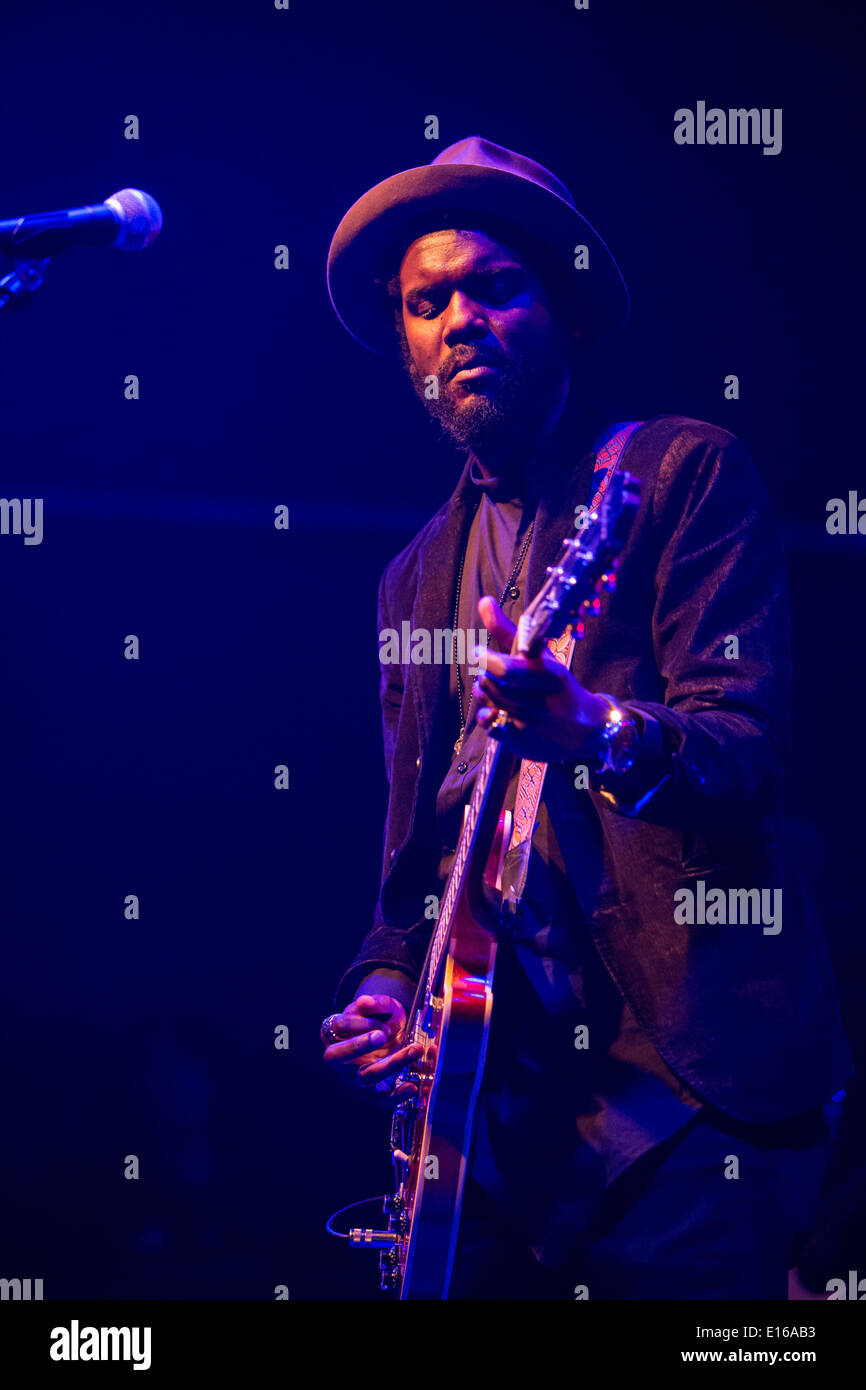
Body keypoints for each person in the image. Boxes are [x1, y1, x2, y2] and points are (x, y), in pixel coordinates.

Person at [319, 136, 852, 1298]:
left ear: (557, 307)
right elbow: (417, 854)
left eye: (493, 286)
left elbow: (746, 755)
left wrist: (598, 730)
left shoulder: (675, 475)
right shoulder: (411, 581)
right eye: (426, 301)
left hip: (683, 1099)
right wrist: (379, 979)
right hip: (501, 1127)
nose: (457, 320)